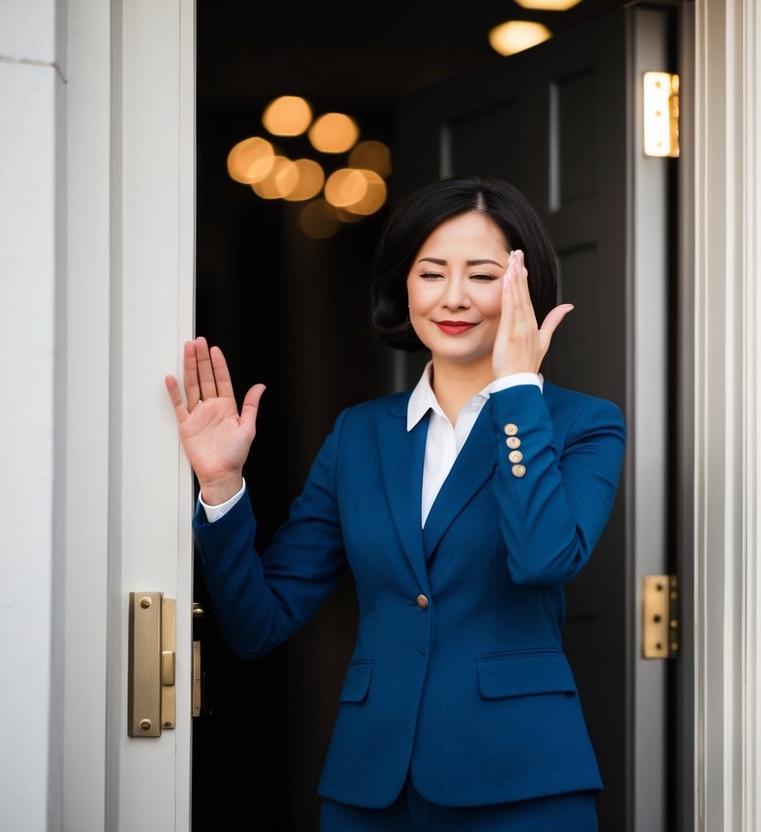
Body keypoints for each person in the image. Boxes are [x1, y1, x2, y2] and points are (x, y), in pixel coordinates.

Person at [164, 177, 626, 831]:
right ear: (402, 287)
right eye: (431, 272)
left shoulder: (583, 423)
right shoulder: (360, 433)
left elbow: (543, 560)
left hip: (522, 783)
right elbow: (256, 623)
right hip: (370, 787)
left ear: (523, 289)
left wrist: (520, 386)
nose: (454, 297)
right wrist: (220, 488)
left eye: (482, 274)